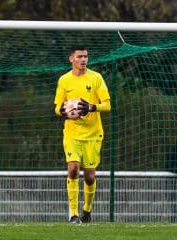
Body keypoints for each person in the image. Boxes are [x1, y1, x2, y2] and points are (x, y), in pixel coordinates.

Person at [54, 45, 111, 223]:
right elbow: (57, 107)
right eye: (79, 57)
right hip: (72, 133)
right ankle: (73, 214)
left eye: (86, 56)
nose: (83, 60)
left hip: (93, 134)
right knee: (73, 169)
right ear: (71, 58)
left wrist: (91, 107)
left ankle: (87, 210)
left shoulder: (96, 78)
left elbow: (107, 105)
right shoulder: (64, 80)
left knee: (90, 176)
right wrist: (63, 112)